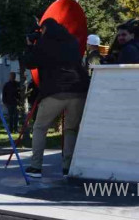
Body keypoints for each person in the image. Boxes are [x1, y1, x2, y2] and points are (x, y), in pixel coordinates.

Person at [22, 18, 90, 178]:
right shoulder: (72, 42)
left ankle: (36, 167)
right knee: (71, 129)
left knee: (40, 128)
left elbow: (30, 63)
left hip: (55, 91)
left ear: (45, 28)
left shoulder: (44, 44)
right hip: (78, 90)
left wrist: (30, 46)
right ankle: (67, 167)